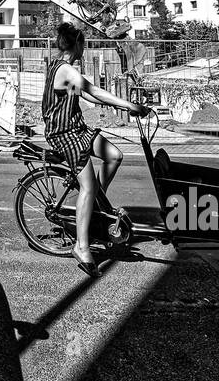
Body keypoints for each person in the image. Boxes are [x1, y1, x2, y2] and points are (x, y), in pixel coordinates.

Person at [42, 22, 146, 276]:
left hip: (77, 129)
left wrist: (113, 104)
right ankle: (82, 246)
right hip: (64, 134)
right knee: (87, 186)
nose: (84, 49)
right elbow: (93, 90)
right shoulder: (65, 69)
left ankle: (95, 204)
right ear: (76, 44)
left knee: (114, 155)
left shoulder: (64, 69)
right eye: (83, 44)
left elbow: (87, 96)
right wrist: (127, 105)